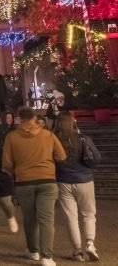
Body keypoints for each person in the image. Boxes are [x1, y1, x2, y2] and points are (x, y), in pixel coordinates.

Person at [3, 106, 66, 266]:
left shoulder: (11, 137)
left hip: (24, 182)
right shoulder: (48, 135)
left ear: (19, 118)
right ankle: (47, 257)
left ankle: (33, 251)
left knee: (30, 219)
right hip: (47, 180)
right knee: (46, 219)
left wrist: (16, 171)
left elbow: (7, 164)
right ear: (35, 117)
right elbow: (61, 156)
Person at [53, 112, 102, 262]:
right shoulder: (82, 138)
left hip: (63, 181)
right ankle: (90, 243)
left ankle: (77, 250)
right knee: (88, 214)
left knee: (71, 217)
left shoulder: (55, 140)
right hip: (84, 179)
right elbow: (97, 158)